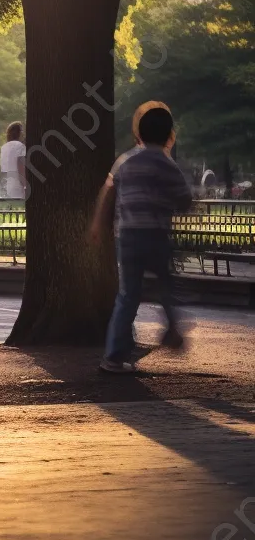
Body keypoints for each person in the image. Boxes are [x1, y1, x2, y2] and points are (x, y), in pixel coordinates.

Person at [89, 102, 193, 374]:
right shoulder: (166, 165)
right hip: (156, 234)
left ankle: (113, 356)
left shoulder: (126, 161)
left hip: (128, 236)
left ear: (139, 133)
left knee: (127, 295)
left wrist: (99, 224)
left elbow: (108, 191)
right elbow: (185, 199)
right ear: (169, 135)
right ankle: (172, 330)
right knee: (167, 285)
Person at [0, 122, 27, 198]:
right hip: (18, 185)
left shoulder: (4, 147)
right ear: (20, 133)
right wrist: (25, 186)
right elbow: (21, 168)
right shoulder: (20, 146)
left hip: (7, 185)